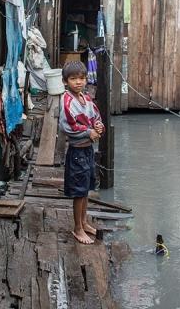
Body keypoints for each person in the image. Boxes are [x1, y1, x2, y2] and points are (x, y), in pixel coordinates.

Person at [59, 61, 104, 245]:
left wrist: (99, 126)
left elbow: (96, 117)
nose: (78, 82)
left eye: (82, 78)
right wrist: (88, 132)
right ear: (65, 81)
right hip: (77, 151)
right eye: (73, 79)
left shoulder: (86, 99)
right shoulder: (67, 101)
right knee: (79, 191)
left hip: (87, 150)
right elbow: (68, 126)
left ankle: (84, 222)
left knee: (85, 188)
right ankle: (77, 228)